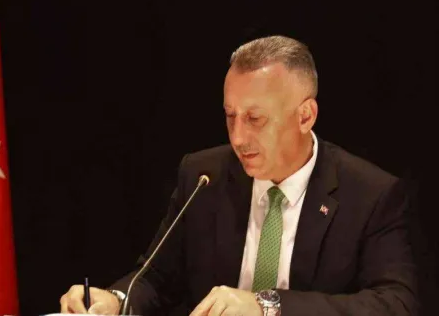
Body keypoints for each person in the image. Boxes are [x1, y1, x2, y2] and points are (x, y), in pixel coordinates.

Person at [59, 36, 418, 316]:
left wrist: (267, 307)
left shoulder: (369, 194)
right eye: (231, 116)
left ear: (305, 116)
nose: (238, 138)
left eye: (255, 119)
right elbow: (156, 278)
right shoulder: (203, 176)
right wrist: (116, 300)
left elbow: (396, 303)